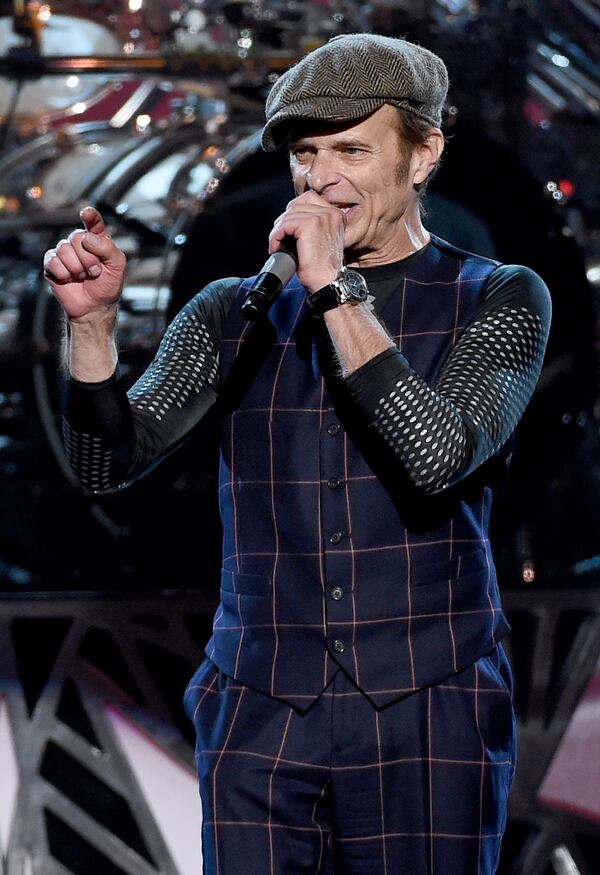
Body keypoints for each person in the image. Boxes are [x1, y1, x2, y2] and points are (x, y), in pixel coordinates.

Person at [45, 33, 551, 875]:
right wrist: (91, 333)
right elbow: (105, 465)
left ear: (423, 154)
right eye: (307, 154)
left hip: (428, 705)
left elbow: (435, 455)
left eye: (353, 149)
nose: (323, 177)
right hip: (259, 707)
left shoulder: (496, 296)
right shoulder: (232, 311)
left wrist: (333, 290)